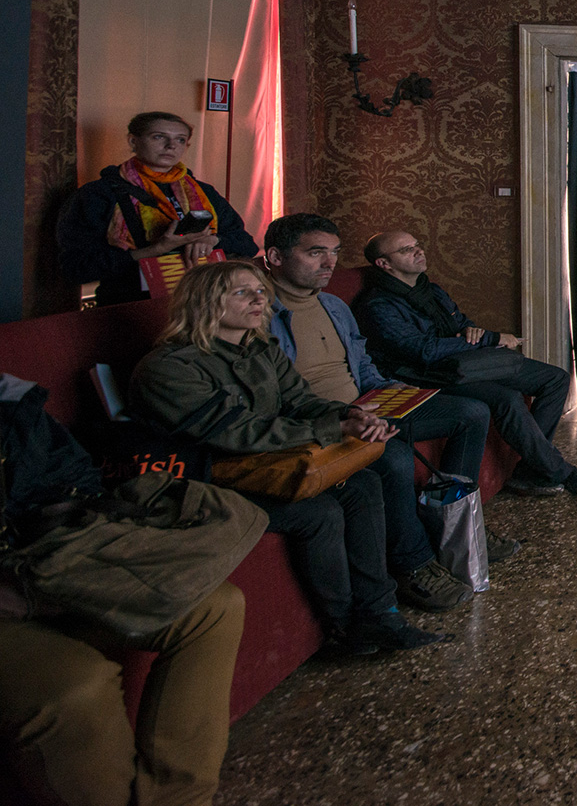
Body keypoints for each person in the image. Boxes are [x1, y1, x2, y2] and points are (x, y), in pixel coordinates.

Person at [128, 260, 444, 655]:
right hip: (202, 478)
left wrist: (350, 415)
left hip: (265, 465)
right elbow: (237, 432)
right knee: (319, 512)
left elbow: (300, 400)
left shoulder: (261, 348)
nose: (259, 299)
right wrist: (333, 429)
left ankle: (380, 613)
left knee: (363, 484)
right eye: (242, 292)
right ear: (204, 302)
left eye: (261, 291)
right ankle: (343, 626)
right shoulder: (169, 367)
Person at [1, 373, 245, 806]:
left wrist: (69, 532)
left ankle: (180, 799)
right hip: (13, 597)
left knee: (215, 605)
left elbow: (74, 476)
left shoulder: (11, 401)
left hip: (45, 565)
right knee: (78, 685)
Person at [258, 214, 519, 611]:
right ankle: (414, 565)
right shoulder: (259, 314)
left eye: (334, 253)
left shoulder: (333, 305)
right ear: (276, 257)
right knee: (393, 457)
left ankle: (457, 526)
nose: (329, 264)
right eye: (315, 253)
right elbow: (274, 394)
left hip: (368, 400)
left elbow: (362, 364)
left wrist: (392, 391)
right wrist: (345, 415)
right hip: (322, 419)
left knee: (471, 412)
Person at [355, 231, 577, 498]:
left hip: (464, 362)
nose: (418, 251)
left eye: (417, 245)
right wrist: (489, 339)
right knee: (506, 398)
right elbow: (423, 351)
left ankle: (529, 469)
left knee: (555, 378)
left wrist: (473, 332)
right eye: (406, 250)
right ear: (384, 264)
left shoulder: (430, 289)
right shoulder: (378, 305)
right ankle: (562, 472)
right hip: (426, 375)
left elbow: (462, 324)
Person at [55, 111, 259, 305]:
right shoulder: (99, 194)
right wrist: (154, 250)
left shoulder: (203, 192)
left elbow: (247, 244)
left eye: (180, 140)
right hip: (131, 305)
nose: (171, 146)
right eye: (158, 137)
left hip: (203, 303)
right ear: (133, 141)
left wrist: (212, 240)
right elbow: (76, 268)